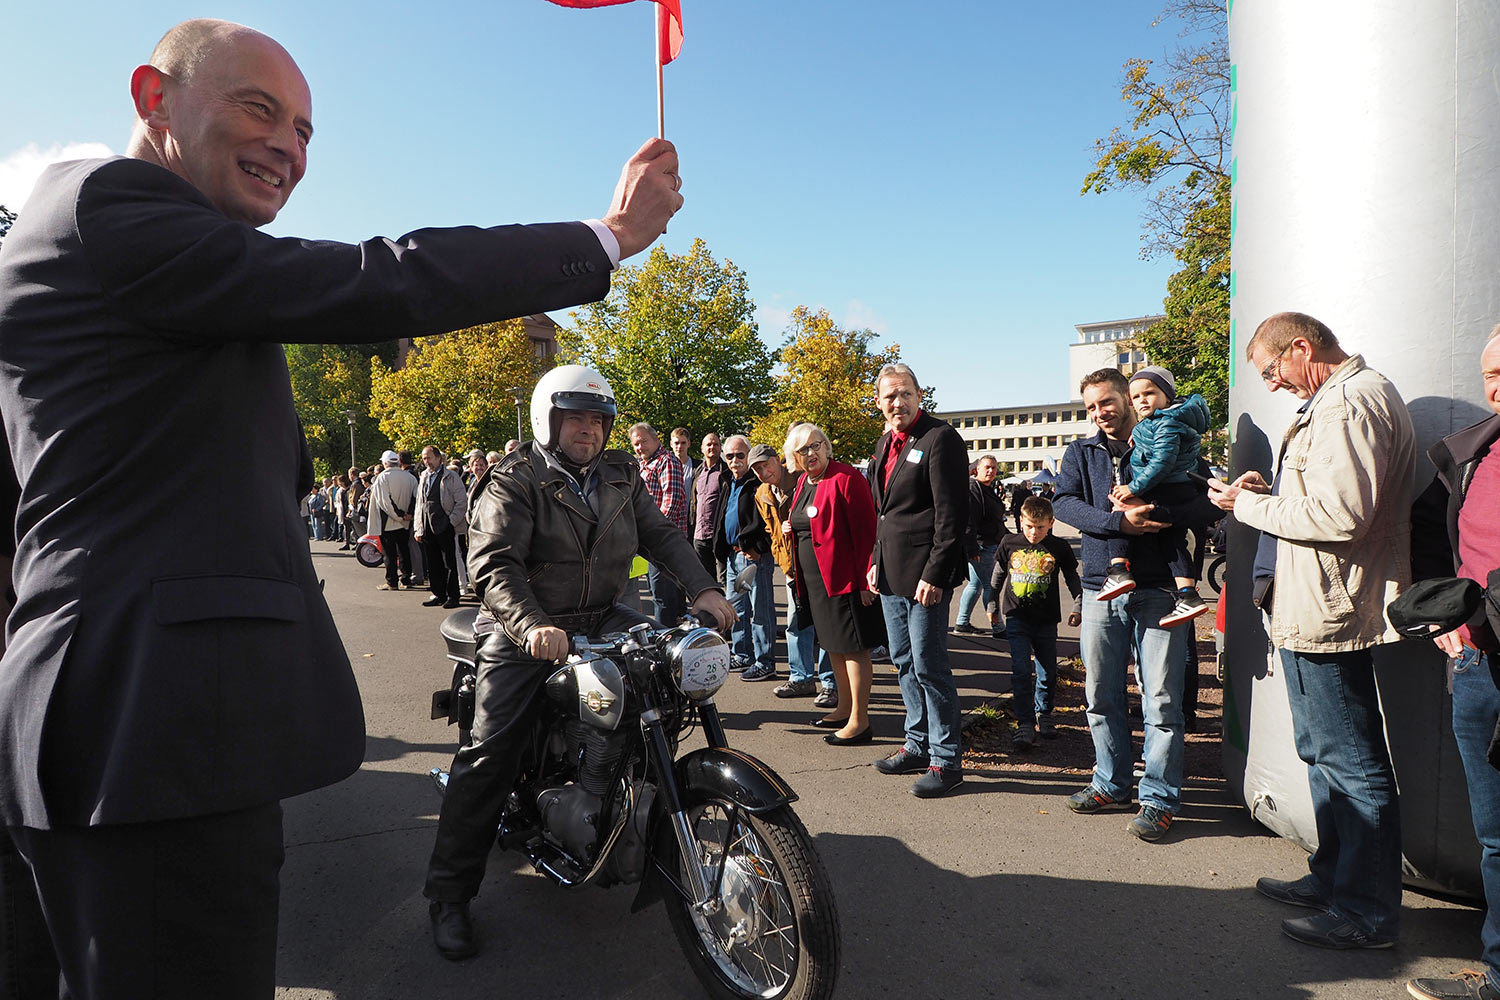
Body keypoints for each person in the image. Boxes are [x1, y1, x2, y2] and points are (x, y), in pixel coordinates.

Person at [0, 17, 684, 996]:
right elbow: (378, 277)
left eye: (306, 131)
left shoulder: (145, 278)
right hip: (148, 733)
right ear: (154, 98)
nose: (288, 146)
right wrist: (606, 236)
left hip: (134, 729)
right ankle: (455, 884)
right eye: (259, 108)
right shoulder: (109, 204)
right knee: (485, 758)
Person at [424, 366, 732, 960]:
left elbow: (662, 535)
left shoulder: (621, 473)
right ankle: (449, 895)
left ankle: (626, 801)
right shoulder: (514, 478)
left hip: (603, 614)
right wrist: (532, 625)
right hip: (525, 625)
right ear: (547, 419)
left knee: (668, 686)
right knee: (489, 753)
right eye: (575, 418)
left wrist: (704, 588)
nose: (588, 429)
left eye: (597, 419)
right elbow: (494, 563)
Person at [1209, 311, 1412, 949]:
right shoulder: (1337, 400)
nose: (1271, 384)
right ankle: (1333, 880)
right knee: (1326, 757)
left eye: (1272, 370)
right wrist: (1268, 489)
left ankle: (1366, 914)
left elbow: (1341, 515)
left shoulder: (1348, 403)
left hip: (1330, 608)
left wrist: (1248, 504)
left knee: (1351, 765)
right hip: (1313, 604)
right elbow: (1326, 496)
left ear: (1302, 347)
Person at [1053, 367, 1221, 843]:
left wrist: (1162, 516)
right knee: (1100, 695)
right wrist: (1118, 525)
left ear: (1127, 398)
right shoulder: (1081, 452)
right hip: (1100, 586)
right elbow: (1064, 503)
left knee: (1162, 700)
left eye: (1106, 402)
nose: (1099, 413)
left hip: (1161, 588)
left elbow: (1207, 503)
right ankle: (1111, 783)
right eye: (1090, 407)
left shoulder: (1173, 438)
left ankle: (1159, 799)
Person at [1405, 329, 1500, 1000]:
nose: (1497, 388)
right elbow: (1430, 532)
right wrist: (1445, 615)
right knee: (1495, 837)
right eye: (1490, 374)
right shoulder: (1473, 453)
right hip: (1478, 669)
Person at [867, 363, 970, 797]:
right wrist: (875, 561)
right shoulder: (884, 443)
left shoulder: (940, 438)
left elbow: (951, 515)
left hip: (926, 575)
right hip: (890, 573)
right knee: (904, 661)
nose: (898, 402)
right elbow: (883, 513)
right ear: (879, 402)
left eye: (905, 393)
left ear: (918, 396)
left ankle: (946, 760)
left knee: (929, 664)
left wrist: (936, 573)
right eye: (890, 395)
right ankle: (917, 743)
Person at [784, 424, 885, 744]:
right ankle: (843, 708)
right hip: (817, 585)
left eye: (816, 445)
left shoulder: (847, 478)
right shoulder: (803, 482)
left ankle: (860, 721)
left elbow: (867, 532)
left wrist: (866, 581)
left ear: (827, 447)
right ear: (795, 457)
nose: (811, 453)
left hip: (845, 581)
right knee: (834, 647)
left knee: (853, 648)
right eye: (803, 450)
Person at [1101, 365, 1211, 627]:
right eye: (1136, 396)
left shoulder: (1168, 423)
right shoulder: (1158, 423)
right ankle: (1188, 594)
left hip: (1169, 487)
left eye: (1149, 393)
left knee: (1121, 510)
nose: (1142, 400)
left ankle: (1118, 568)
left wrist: (1133, 488)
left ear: (1167, 396)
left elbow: (1161, 462)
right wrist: (1139, 440)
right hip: (1174, 488)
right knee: (1173, 542)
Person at [990, 495, 1081, 749]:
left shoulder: (1059, 547)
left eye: (1040, 527)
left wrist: (1078, 605)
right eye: (1029, 526)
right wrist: (992, 604)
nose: (1034, 533)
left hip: (1046, 620)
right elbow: (997, 576)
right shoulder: (1009, 542)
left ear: (1051, 523)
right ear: (1021, 520)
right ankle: (1025, 722)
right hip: (1016, 617)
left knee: (1047, 671)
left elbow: (1072, 577)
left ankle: (1045, 713)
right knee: (1020, 670)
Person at [749, 441, 835, 703]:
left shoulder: (802, 479)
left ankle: (830, 683)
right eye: (757, 469)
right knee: (796, 624)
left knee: (825, 626)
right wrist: (782, 557)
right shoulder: (762, 493)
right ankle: (801, 679)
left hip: (818, 564)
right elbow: (771, 530)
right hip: (791, 568)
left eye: (766, 465)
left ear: (778, 459)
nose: (763, 472)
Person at [714, 435, 776, 680]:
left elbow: (771, 520)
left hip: (754, 557)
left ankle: (765, 661)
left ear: (749, 456)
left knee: (761, 611)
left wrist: (759, 548)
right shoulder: (728, 481)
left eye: (740, 455)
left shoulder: (758, 482)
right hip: (732, 556)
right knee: (735, 609)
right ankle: (742, 654)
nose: (735, 460)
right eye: (729, 456)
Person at [628, 422, 688, 623]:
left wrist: (651, 533)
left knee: (663, 599)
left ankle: (665, 638)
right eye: (636, 444)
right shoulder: (642, 464)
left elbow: (671, 502)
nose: (640, 447)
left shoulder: (666, 461)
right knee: (661, 596)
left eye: (644, 441)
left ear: (656, 439)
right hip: (646, 541)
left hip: (663, 542)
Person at [954, 455, 1006, 636]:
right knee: (990, 586)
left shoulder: (987, 489)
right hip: (981, 545)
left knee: (975, 585)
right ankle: (998, 627)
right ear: (977, 469)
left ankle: (962, 623)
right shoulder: (973, 488)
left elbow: (996, 520)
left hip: (988, 543)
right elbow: (968, 521)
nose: (991, 471)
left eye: (994, 468)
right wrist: (972, 547)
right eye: (987, 467)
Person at [415, 445, 468, 609]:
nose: (426, 461)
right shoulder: (424, 476)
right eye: (424, 458)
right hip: (428, 525)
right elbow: (419, 503)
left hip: (445, 525)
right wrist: (418, 527)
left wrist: (451, 522)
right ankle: (439, 594)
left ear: (438, 458)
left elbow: (461, 502)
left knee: (449, 563)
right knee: (433, 562)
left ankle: (453, 596)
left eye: (429, 458)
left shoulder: (451, 476)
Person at [369, 450, 418, 590]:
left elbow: (385, 503)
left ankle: (392, 581)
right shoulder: (410, 477)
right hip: (405, 522)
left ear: (385, 463)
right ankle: (406, 579)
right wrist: (409, 514)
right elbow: (416, 498)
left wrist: (400, 515)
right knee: (404, 551)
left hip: (388, 523)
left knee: (389, 553)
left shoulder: (382, 478)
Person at [691, 432, 728, 580]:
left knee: (726, 579)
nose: (712, 447)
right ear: (702, 449)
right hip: (700, 535)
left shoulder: (726, 471)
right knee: (706, 581)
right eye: (709, 444)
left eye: (716, 444)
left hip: (719, 535)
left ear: (720, 447)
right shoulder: (698, 472)